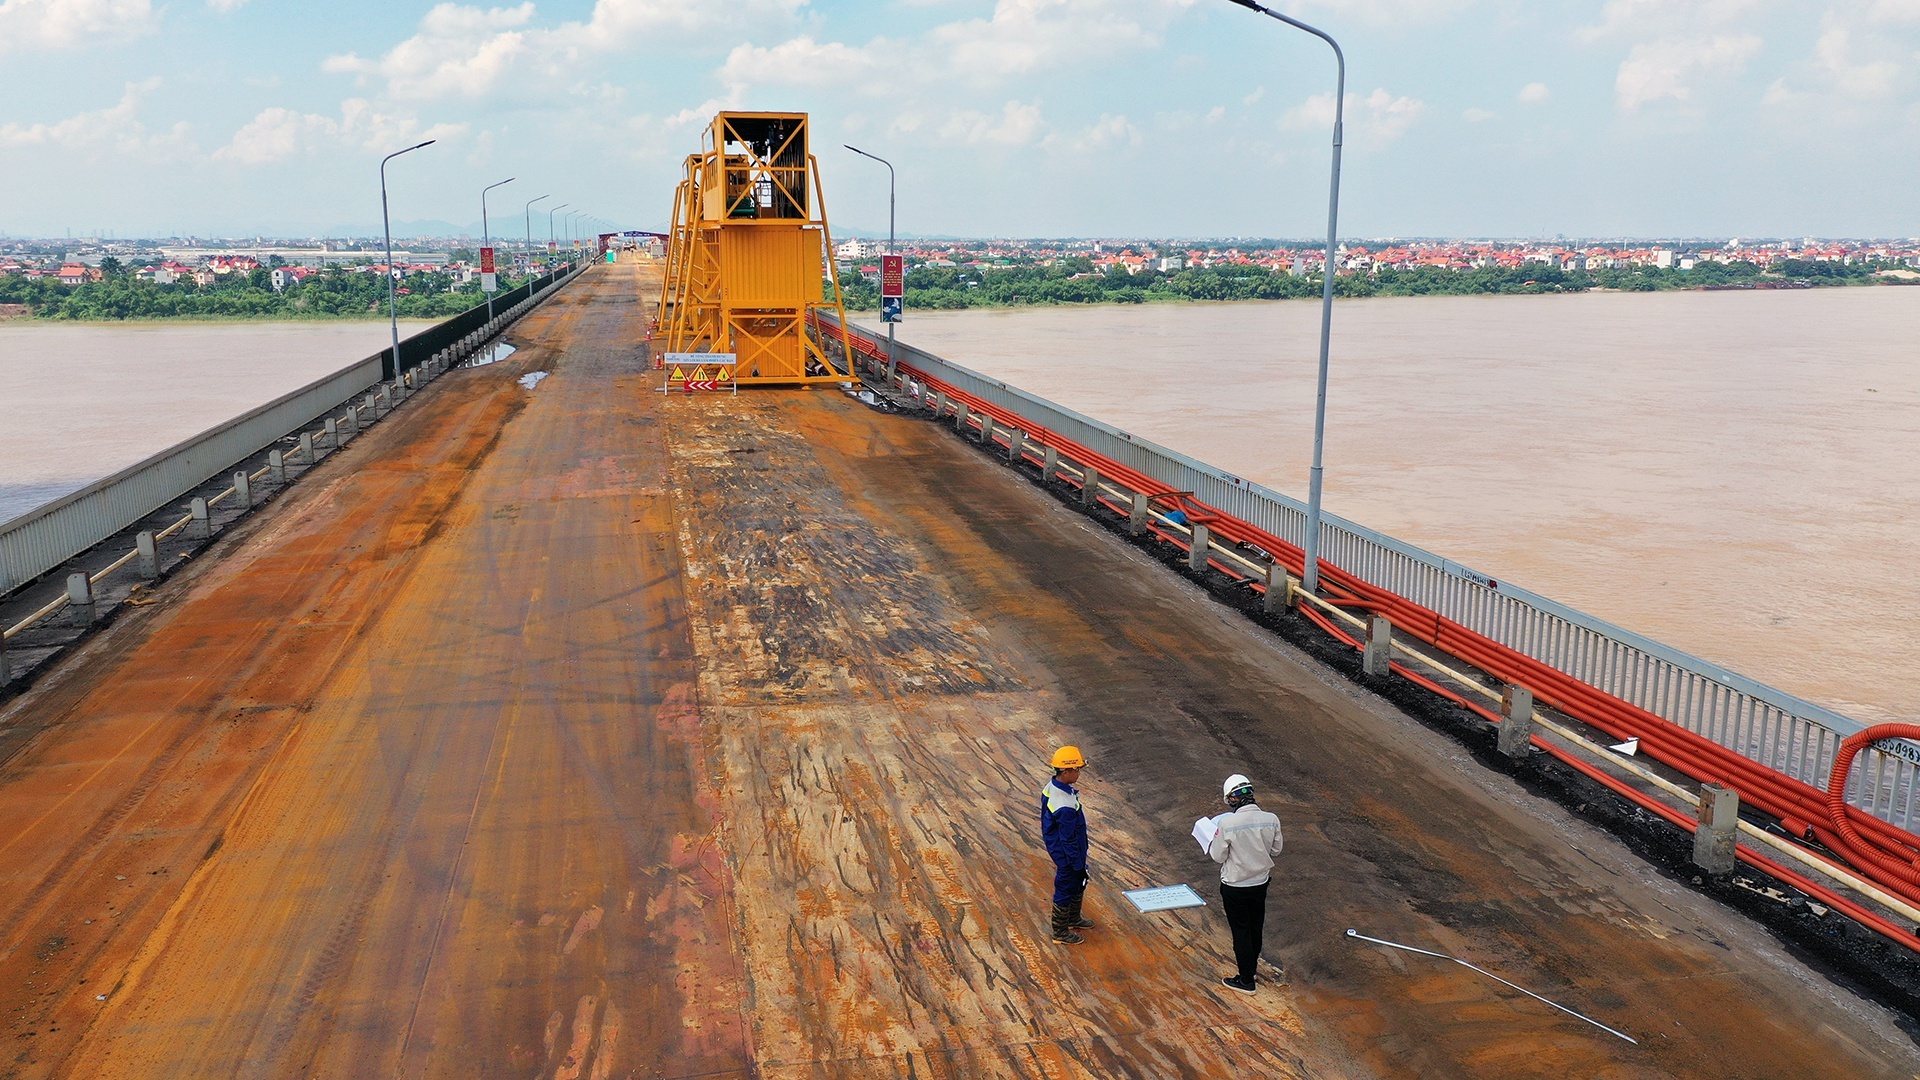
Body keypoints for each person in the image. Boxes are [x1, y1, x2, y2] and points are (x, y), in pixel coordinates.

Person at [1207, 773, 1284, 993]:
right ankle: (1251, 968)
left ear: (1231, 799)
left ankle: (1246, 979)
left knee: (1240, 931)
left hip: (1235, 886)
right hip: (1260, 883)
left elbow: (1218, 856)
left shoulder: (1227, 823)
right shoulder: (1272, 819)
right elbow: (1276, 850)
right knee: (1254, 927)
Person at [1040, 746, 1095, 945]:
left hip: (1067, 850)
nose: (1079, 773)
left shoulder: (1053, 787)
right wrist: (1076, 863)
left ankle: (1073, 918)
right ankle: (1060, 932)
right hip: (1068, 854)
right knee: (1066, 886)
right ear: (1066, 772)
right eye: (1077, 769)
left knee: (1078, 883)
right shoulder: (1064, 804)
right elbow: (1068, 838)